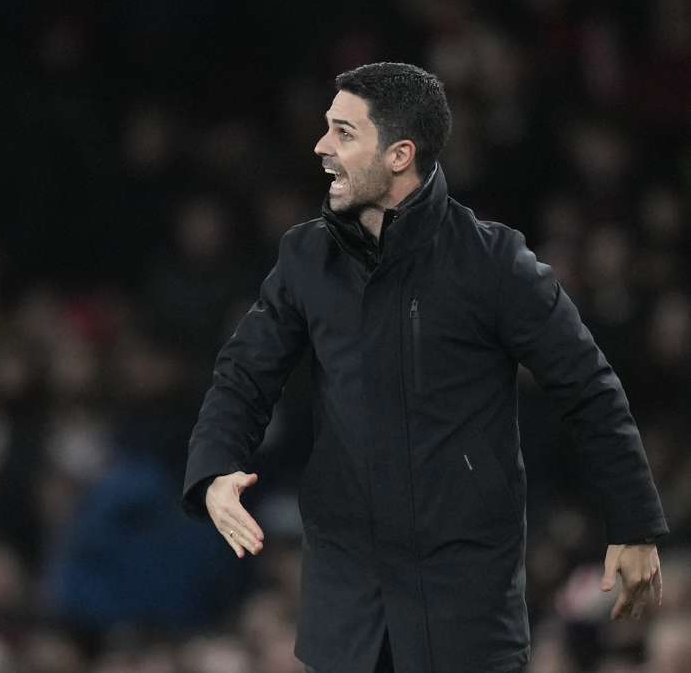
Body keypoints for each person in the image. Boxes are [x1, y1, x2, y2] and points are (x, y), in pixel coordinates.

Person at [181, 63, 667, 673]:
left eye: (342, 132)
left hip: (462, 606)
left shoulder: (494, 263)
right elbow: (243, 376)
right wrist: (215, 469)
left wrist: (633, 523)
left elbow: (589, 389)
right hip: (346, 606)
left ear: (399, 155)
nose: (320, 146)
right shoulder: (306, 256)